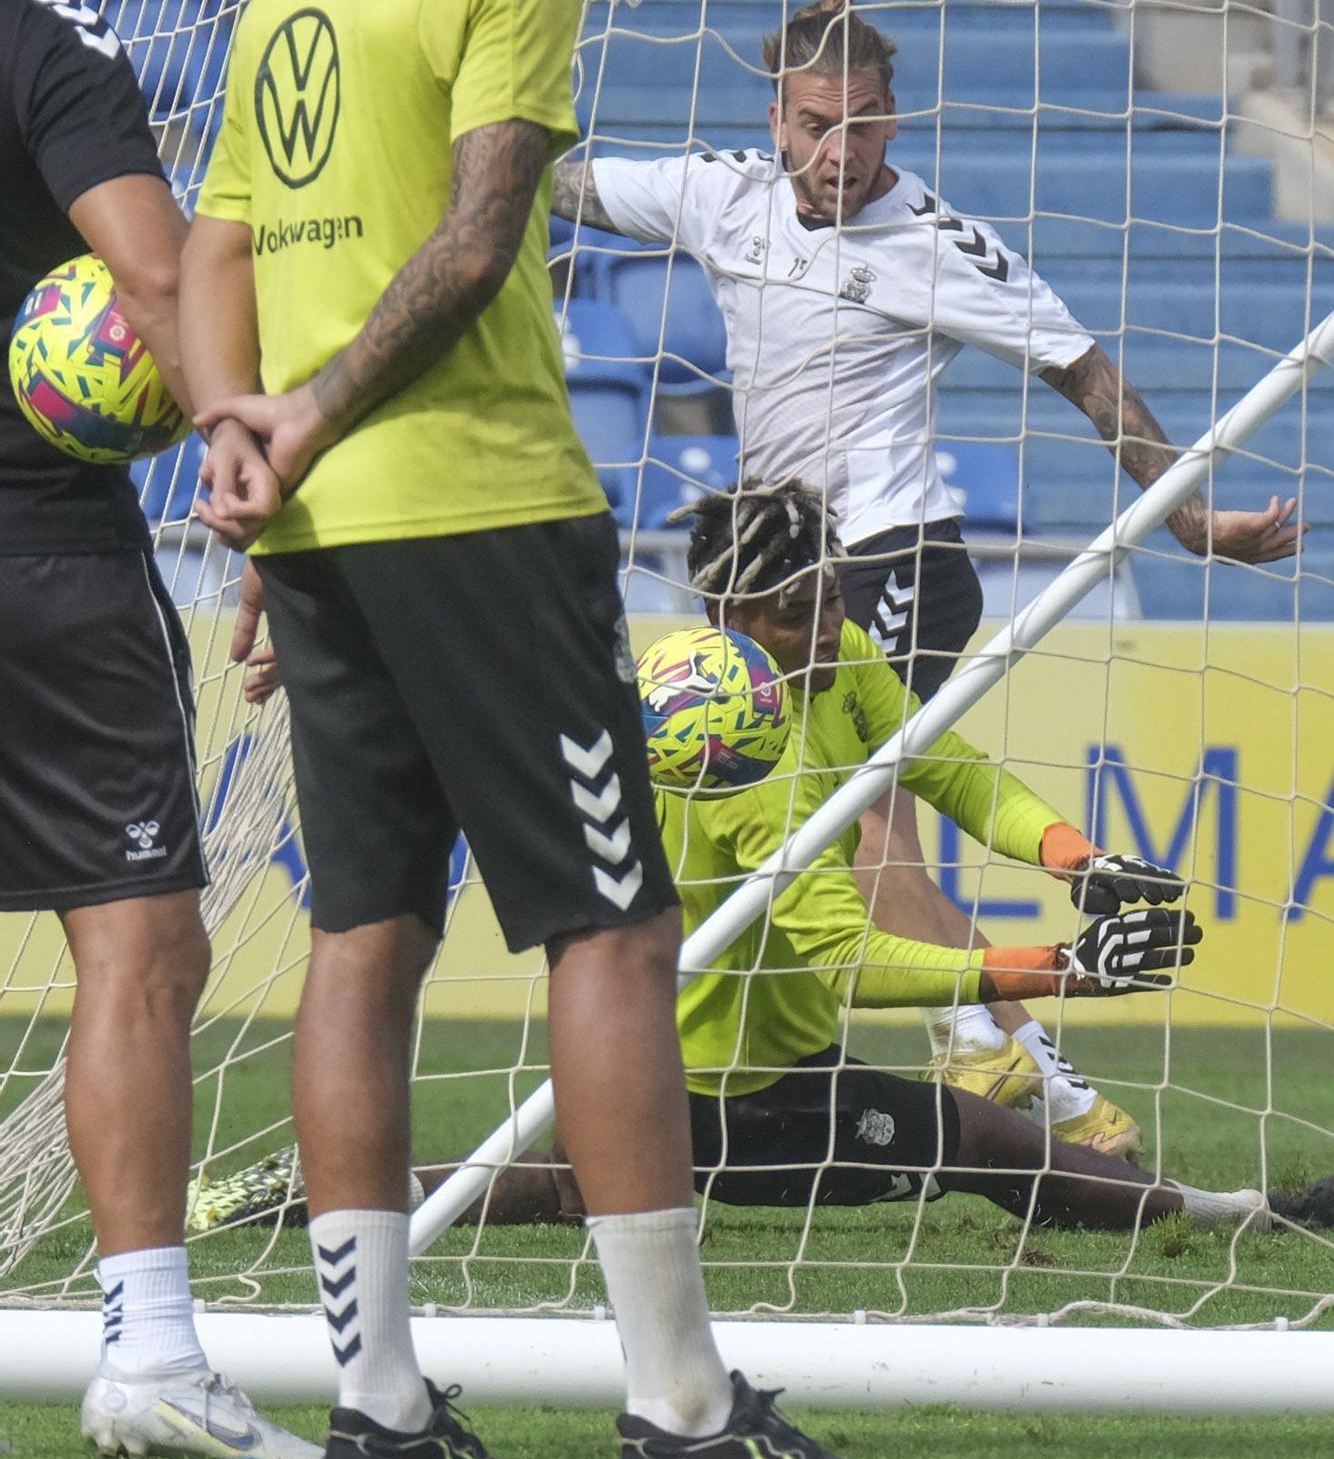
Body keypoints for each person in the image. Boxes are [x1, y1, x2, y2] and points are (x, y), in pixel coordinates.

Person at [178, 0, 902, 1459]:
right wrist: (312, 426)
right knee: (611, 925)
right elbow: (487, 232)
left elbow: (218, 249)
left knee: (363, 935)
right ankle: (677, 1419)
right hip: (478, 508)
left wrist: (248, 468)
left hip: (328, 526)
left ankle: (379, 1419)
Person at [550, 0, 1302, 1156]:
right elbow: (565, 185)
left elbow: (1085, 371)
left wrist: (1188, 516)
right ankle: (1055, 1099)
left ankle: (986, 1042)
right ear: (776, 116)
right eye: (813, 125)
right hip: (783, 574)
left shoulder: (936, 242)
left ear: (892, 117)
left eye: (861, 125)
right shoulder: (722, 196)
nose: (838, 152)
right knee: (840, 819)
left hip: (895, 555)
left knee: (859, 817)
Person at [193, 482, 1330, 1242]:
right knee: (548, 1184)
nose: (827, 619)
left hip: (769, 1064)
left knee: (563, 1179)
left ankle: (1246, 1212)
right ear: (728, 613)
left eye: (830, 589)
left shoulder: (837, 659)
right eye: (797, 607)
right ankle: (295, 1192)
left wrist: (1076, 854)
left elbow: (949, 770)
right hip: (694, 1080)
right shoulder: (735, 748)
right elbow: (850, 956)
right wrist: (1059, 969)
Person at [0, 0, 317, 1459]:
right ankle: (149, 1351)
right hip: (37, 560)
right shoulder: (53, 46)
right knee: (135, 946)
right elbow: (144, 271)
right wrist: (232, 452)